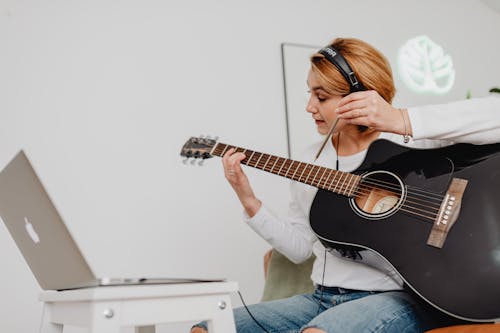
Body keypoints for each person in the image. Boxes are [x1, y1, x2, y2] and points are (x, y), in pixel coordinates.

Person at [191, 37, 500, 333]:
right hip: (320, 297)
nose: (310, 107)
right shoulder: (311, 159)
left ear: (359, 95)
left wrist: (400, 119)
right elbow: (300, 249)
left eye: (321, 97)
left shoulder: (410, 138)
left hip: (393, 299)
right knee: (207, 328)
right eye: (309, 94)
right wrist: (247, 198)